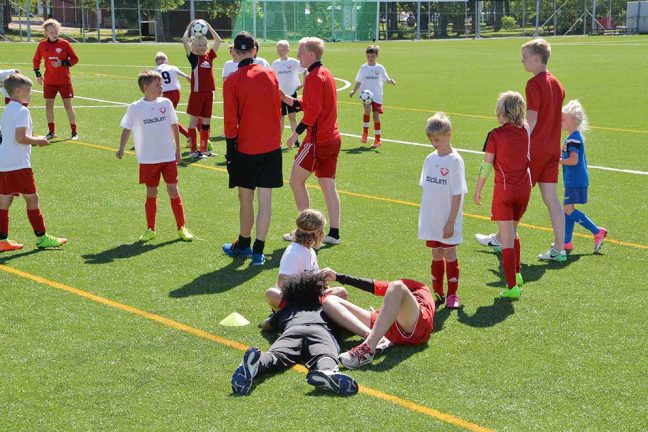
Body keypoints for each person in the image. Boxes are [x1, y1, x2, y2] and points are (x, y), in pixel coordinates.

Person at [476, 39, 566, 262]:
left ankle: (501, 237)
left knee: (515, 193)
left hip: (535, 150)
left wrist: (519, 140)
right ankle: (559, 247)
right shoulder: (558, 83)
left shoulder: (534, 84)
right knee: (552, 199)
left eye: (525, 56)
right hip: (553, 150)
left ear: (536, 58)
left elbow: (532, 119)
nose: (522, 60)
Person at [231, 273, 359, 396]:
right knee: (324, 355)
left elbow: (266, 325)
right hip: (320, 331)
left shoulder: (286, 311)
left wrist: (267, 322)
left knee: (276, 355)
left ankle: (257, 363)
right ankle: (327, 371)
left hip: (293, 330)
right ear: (318, 294)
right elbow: (347, 324)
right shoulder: (326, 309)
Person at [221, 32, 283, 266]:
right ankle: (258, 250)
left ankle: (244, 244)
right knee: (265, 200)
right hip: (271, 146)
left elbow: (230, 122)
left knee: (245, 198)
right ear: (254, 51)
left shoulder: (232, 81)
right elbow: (277, 108)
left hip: (247, 148)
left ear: (235, 52)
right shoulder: (269, 73)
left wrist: (230, 150)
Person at [116, 71, 194, 242]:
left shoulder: (166, 103)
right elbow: (127, 129)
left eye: (161, 84)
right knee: (152, 193)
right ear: (146, 87)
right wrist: (121, 148)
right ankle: (151, 229)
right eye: (157, 85)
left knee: (173, 190)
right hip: (148, 159)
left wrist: (178, 150)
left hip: (167, 156)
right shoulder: (135, 107)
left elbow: (174, 126)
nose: (161, 87)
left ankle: (182, 227)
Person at [282, 37, 342, 245]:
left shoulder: (314, 76)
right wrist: (286, 98)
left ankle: (306, 232)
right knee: (328, 186)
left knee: (295, 181)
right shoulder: (325, 73)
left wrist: (295, 133)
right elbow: (311, 104)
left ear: (312, 54)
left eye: (300, 51)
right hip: (332, 139)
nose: (298, 55)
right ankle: (334, 233)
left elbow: (313, 111)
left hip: (317, 142)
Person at [473, 92, 532, 299]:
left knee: (506, 238)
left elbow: (486, 165)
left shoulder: (495, 135)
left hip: (505, 191)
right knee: (514, 232)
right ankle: (517, 274)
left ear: (502, 112)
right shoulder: (525, 130)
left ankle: (511, 287)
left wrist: (478, 188)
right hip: (524, 189)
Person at [0, 73, 67, 251]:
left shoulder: (7, 110)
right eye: (28, 90)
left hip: (4, 162)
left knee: (4, 201)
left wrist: (33, 139)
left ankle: (2, 241)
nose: (30, 93)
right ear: (17, 90)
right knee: (32, 199)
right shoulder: (22, 111)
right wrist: (39, 140)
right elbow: (20, 138)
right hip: (18, 164)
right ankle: (42, 237)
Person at [320, 268, 435, 369]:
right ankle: (375, 337)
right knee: (328, 301)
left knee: (396, 286)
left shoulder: (419, 287)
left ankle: (367, 350)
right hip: (386, 327)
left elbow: (380, 287)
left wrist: (340, 277)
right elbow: (376, 286)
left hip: (416, 324)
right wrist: (338, 277)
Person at [418, 113, 467, 309]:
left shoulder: (455, 161)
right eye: (431, 139)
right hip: (432, 219)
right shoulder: (430, 159)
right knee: (436, 254)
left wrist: (450, 221)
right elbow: (428, 189)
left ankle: (452, 295)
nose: (433, 143)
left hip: (448, 220)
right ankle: (437, 292)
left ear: (448, 135)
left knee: (449, 254)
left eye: (437, 139)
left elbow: (457, 194)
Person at [264, 209, 347, 310]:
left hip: (306, 297)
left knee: (341, 292)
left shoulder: (309, 250)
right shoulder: (294, 252)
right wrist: (311, 287)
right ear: (318, 232)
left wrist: (321, 278)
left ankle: (316, 313)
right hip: (293, 299)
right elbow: (282, 282)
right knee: (272, 293)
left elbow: (311, 277)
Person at [560, 100, 607, 252]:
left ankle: (596, 231)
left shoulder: (573, 138)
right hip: (573, 180)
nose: (560, 121)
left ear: (572, 121)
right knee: (568, 209)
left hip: (575, 180)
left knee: (567, 209)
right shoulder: (575, 136)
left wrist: (557, 160)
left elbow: (573, 160)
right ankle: (566, 242)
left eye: (563, 118)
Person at [32, 18, 79, 141]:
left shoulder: (65, 44)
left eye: (56, 31)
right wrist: (38, 74)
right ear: (46, 33)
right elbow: (36, 60)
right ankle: (52, 132)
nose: (54, 33)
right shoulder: (42, 45)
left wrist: (63, 63)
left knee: (68, 105)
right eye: (51, 32)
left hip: (64, 81)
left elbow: (74, 59)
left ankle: (74, 132)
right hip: (49, 81)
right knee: (48, 106)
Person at [181, 19, 222, 159]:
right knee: (193, 122)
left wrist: (209, 27)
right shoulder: (193, 58)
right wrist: (188, 26)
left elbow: (218, 41)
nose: (202, 47)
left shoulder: (209, 57)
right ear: (194, 47)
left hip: (208, 95)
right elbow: (184, 40)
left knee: (206, 123)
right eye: (198, 44)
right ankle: (193, 151)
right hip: (197, 95)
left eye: (204, 44)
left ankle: (204, 150)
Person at [349, 45, 396, 147]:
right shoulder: (363, 68)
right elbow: (359, 81)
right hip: (366, 95)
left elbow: (386, 79)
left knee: (375, 117)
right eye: (368, 56)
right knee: (367, 111)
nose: (370, 58)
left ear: (376, 56)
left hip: (377, 96)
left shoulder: (380, 68)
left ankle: (377, 140)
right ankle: (365, 133)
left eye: (372, 56)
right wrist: (354, 90)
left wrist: (390, 81)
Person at [272, 40, 306, 146]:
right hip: (280, 95)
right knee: (280, 118)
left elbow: (304, 70)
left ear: (288, 50)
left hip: (291, 94)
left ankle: (295, 139)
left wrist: (303, 84)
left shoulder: (293, 62)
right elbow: (272, 77)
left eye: (282, 50)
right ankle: (278, 139)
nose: (280, 52)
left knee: (292, 117)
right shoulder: (275, 63)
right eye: (278, 50)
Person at [153, 52, 191, 140]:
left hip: (165, 95)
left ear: (156, 61)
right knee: (167, 117)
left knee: (168, 118)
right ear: (166, 60)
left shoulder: (155, 70)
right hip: (176, 93)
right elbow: (181, 74)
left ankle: (189, 136)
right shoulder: (172, 67)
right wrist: (186, 77)